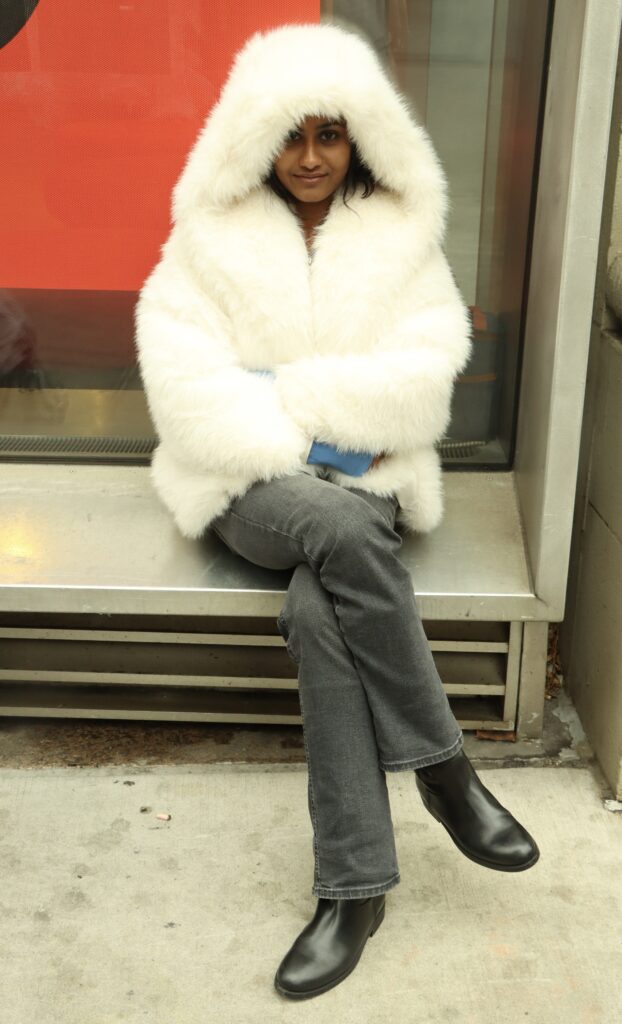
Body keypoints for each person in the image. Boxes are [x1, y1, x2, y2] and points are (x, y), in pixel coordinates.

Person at [134, 21, 539, 1002]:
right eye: (291, 136)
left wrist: (282, 392)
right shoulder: (209, 239)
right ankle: (444, 768)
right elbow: (185, 384)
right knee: (338, 524)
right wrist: (310, 430)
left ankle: (353, 888)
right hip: (249, 487)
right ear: (256, 140)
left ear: (360, 136)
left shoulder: (401, 235)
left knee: (324, 605)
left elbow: (426, 374)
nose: (311, 157)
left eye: (331, 134)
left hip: (365, 485)